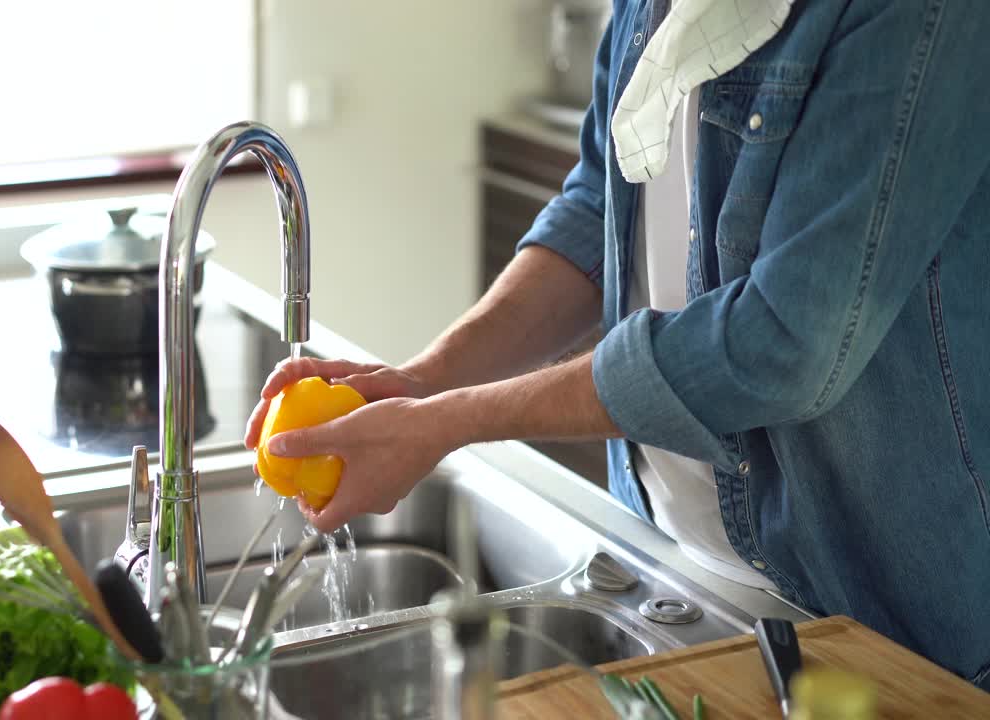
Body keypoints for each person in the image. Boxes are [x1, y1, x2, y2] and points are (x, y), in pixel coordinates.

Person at [244, 0, 990, 691]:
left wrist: (450, 421)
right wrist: (425, 382)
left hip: (872, 616)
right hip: (676, 566)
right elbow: (602, 204)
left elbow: (782, 341)